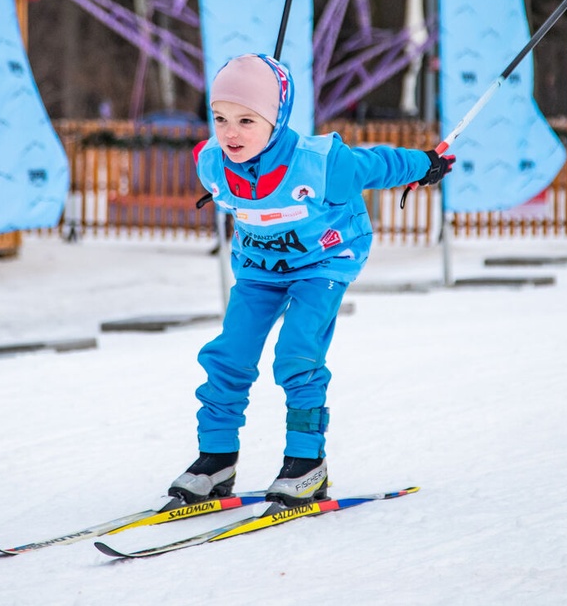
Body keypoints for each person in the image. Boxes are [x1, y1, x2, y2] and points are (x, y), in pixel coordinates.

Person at [168, 53, 454, 508]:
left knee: (297, 351)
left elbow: (376, 164)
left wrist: (425, 164)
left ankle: (307, 462)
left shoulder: (321, 165)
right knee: (230, 354)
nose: (230, 133)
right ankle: (216, 458)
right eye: (220, 118)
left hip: (324, 261)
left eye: (246, 120)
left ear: (276, 120)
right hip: (259, 268)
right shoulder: (212, 163)